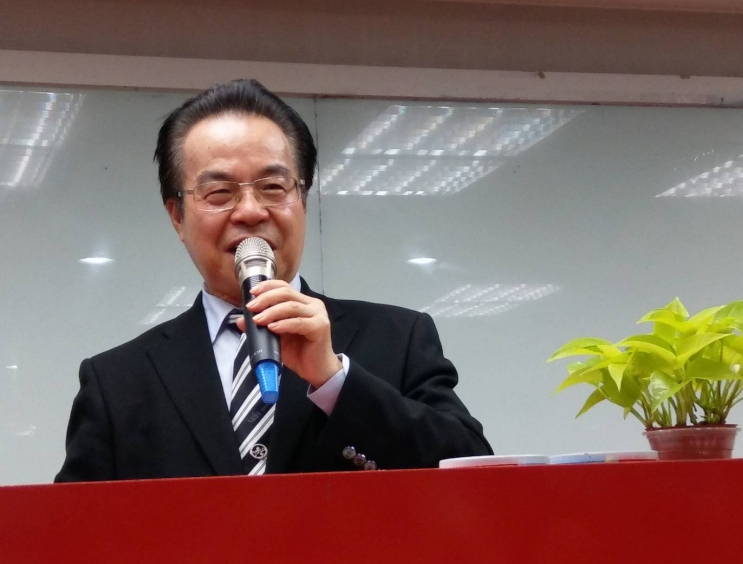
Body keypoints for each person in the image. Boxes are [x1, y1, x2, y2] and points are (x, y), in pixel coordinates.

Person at [55, 79, 492, 481]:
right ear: (177, 217)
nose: (250, 211)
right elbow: (75, 528)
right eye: (219, 193)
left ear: (302, 199)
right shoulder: (116, 382)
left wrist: (334, 380)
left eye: (273, 188)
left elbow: (471, 478)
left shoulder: (399, 339)